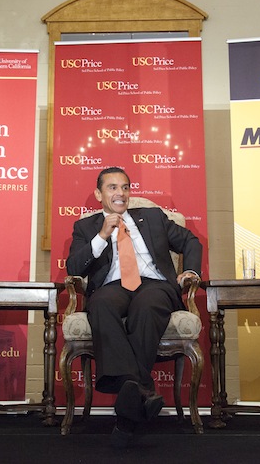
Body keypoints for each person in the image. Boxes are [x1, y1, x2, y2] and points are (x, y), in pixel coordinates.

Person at [66, 167, 202, 447]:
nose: (120, 193)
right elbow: (74, 267)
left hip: (154, 284)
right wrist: (102, 236)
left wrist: (189, 271)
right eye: (113, 187)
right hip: (112, 287)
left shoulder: (152, 217)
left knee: (147, 305)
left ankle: (130, 405)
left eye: (125, 187)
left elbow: (190, 240)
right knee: (100, 303)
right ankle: (142, 390)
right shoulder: (86, 227)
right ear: (98, 194)